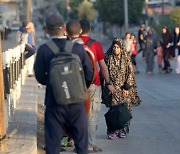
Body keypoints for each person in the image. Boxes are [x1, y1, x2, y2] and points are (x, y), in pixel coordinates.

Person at [34, 14, 93, 154]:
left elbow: (40, 77)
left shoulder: (43, 49)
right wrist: (76, 86)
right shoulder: (78, 49)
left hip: (54, 104)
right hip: (77, 104)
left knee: (53, 146)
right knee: (81, 147)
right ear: (65, 29)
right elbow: (89, 74)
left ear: (46, 30)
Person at [79, 19, 116, 153]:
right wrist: (109, 83)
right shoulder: (95, 44)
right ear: (89, 30)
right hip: (93, 84)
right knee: (92, 114)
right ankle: (89, 145)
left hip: (74, 85)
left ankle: (76, 142)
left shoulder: (71, 44)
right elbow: (103, 67)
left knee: (77, 113)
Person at [102, 38, 141, 139]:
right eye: (114, 47)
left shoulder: (126, 58)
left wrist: (127, 87)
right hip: (113, 90)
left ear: (121, 48)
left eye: (118, 47)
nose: (116, 49)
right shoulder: (107, 57)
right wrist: (108, 84)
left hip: (125, 89)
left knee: (124, 110)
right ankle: (112, 131)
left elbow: (130, 73)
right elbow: (103, 72)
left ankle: (123, 130)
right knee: (114, 111)